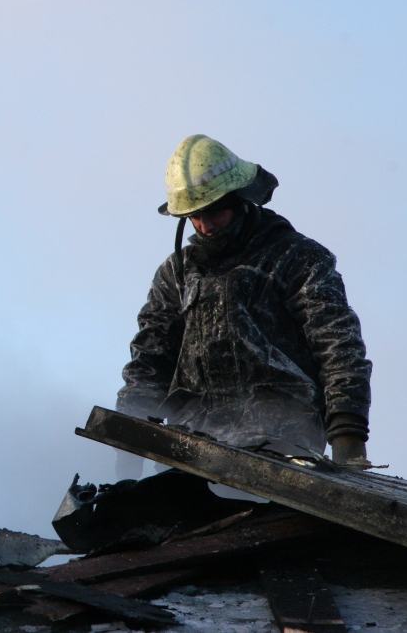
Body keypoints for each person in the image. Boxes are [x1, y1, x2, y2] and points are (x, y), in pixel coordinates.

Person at [117, 135, 372, 467]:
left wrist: (347, 436)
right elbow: (150, 358)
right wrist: (128, 439)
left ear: (239, 198)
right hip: (191, 448)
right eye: (195, 216)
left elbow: (338, 344)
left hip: (283, 447)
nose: (205, 226)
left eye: (214, 212)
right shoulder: (177, 273)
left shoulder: (297, 257)